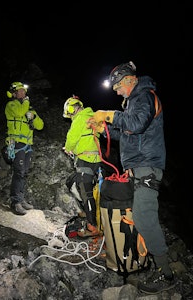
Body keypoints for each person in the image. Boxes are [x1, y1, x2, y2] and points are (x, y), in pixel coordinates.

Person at [89, 61, 175, 294]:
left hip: (147, 167)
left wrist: (108, 115)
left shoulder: (144, 96)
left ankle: (166, 274)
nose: (116, 92)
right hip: (139, 168)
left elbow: (136, 124)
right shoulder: (134, 102)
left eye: (117, 86)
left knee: (144, 217)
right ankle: (151, 261)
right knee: (139, 215)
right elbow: (127, 134)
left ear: (128, 80)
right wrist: (102, 130)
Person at [62, 95, 102, 237]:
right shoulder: (92, 115)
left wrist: (67, 148)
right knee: (87, 187)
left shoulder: (80, 117)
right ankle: (89, 212)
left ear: (72, 108)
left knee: (86, 191)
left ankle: (92, 225)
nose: (70, 116)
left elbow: (72, 137)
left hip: (86, 158)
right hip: (96, 158)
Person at [5, 81, 44, 215]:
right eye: (20, 91)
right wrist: (26, 104)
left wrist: (33, 117)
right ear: (14, 93)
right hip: (16, 143)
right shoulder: (11, 105)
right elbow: (19, 113)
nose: (23, 93)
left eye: (24, 91)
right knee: (19, 172)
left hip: (27, 145)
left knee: (24, 172)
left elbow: (40, 126)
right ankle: (15, 202)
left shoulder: (29, 108)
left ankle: (21, 199)